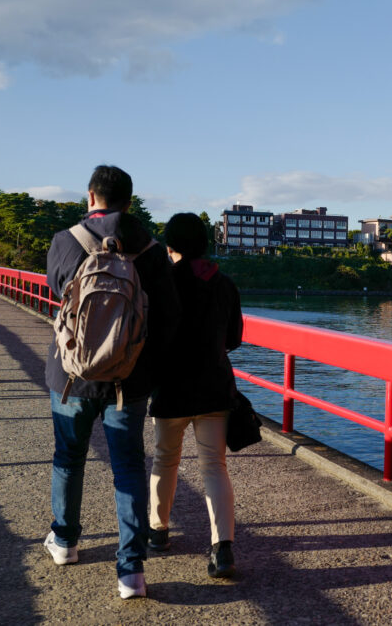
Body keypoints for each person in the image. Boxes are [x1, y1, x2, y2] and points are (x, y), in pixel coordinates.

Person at [43, 166, 179, 599]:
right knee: (128, 466)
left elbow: (58, 294)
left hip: (72, 376)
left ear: (90, 197)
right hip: (130, 378)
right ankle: (131, 572)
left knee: (69, 455)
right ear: (129, 201)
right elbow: (167, 318)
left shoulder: (65, 240)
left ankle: (65, 541)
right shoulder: (152, 250)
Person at [148, 212, 243, 579]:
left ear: (170, 246)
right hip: (214, 388)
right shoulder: (224, 284)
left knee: (164, 459)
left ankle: (158, 531)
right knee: (214, 466)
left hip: (171, 387)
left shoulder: (162, 283)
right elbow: (233, 339)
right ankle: (223, 549)